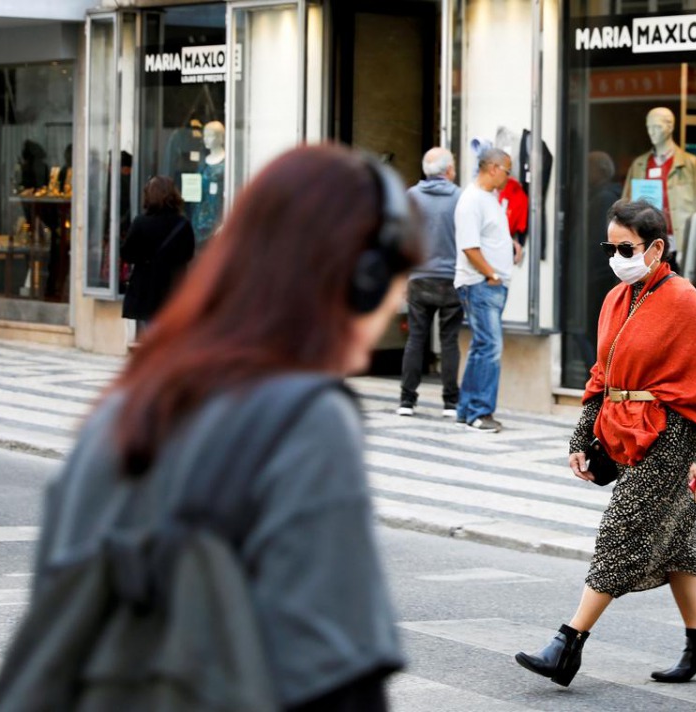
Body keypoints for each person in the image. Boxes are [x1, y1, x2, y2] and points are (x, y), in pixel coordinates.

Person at [31, 145, 417, 710]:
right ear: (354, 276)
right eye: (392, 280)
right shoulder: (305, 419)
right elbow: (337, 674)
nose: (395, 301)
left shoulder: (130, 401)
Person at [514, 201, 696, 688]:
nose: (616, 256)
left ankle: (567, 645)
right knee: (677, 546)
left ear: (656, 247)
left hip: (673, 437)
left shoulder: (686, 302)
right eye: (610, 247)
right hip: (624, 431)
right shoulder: (616, 298)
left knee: (619, 533)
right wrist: (581, 436)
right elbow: (601, 377)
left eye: (626, 248)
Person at [454, 147, 519, 432]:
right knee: (491, 346)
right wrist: (490, 273)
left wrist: (510, 248)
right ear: (492, 168)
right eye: (507, 170)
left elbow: (489, 237)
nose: (508, 176)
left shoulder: (489, 198)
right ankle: (480, 412)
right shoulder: (471, 200)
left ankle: (466, 409)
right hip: (481, 285)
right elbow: (469, 246)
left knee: (482, 347)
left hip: (491, 285)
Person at [398, 147, 464, 418]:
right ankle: (450, 402)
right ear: (448, 170)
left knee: (416, 339)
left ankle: (406, 401)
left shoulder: (410, 197)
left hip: (419, 278)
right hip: (451, 279)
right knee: (449, 341)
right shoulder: (460, 197)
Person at [120, 176, 196, 336]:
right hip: (174, 286)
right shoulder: (182, 224)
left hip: (147, 287)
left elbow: (127, 253)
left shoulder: (141, 222)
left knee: (153, 332)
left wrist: (146, 258)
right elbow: (188, 254)